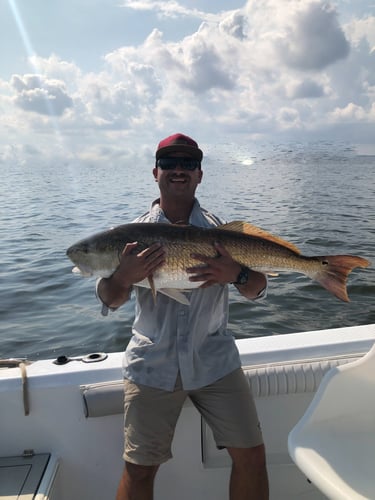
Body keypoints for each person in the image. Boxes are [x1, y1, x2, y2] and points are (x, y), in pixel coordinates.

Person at [97, 133, 269, 500]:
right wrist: (124, 276)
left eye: (188, 164)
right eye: (170, 163)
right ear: (155, 172)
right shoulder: (130, 236)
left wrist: (236, 275)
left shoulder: (221, 233)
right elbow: (110, 300)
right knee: (139, 470)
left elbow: (256, 290)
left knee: (252, 457)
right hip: (153, 362)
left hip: (214, 360)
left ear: (200, 175)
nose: (179, 170)